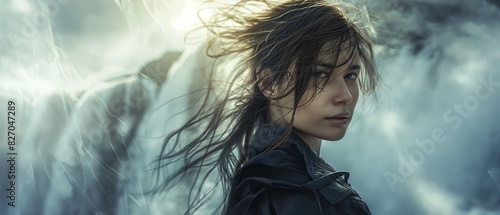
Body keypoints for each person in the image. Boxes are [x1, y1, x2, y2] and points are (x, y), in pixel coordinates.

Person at [154, 0, 380, 214]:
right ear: (269, 83)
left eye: (351, 75)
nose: (346, 95)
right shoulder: (312, 199)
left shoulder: (254, 175)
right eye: (320, 74)